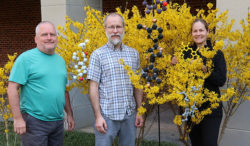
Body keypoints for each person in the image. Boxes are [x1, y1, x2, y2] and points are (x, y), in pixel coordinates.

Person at [7, 21, 75, 146]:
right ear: (36, 39)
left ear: (56, 38)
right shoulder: (25, 59)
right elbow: (12, 88)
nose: (49, 38)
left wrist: (69, 114)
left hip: (58, 122)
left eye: (52, 34)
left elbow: (63, 90)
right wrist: (17, 118)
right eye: (44, 35)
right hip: (34, 121)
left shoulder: (60, 61)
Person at [87, 13, 144, 146]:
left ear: (124, 28)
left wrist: (140, 111)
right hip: (107, 116)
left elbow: (138, 85)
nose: (115, 30)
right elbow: (93, 87)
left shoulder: (133, 54)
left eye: (118, 26)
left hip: (129, 115)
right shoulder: (97, 55)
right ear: (105, 29)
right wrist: (98, 116)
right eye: (111, 27)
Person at [171, 18, 227, 146]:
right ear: (191, 33)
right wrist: (172, 64)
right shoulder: (185, 53)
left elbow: (221, 80)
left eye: (201, 30)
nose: (198, 33)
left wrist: (204, 69)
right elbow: (177, 78)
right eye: (195, 31)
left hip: (210, 109)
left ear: (207, 32)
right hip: (191, 109)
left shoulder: (216, 54)